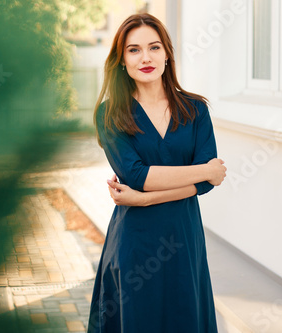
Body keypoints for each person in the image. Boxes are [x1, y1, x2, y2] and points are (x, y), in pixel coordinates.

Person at [87, 13, 227, 333]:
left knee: (184, 316)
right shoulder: (110, 113)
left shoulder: (196, 110)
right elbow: (138, 176)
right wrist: (202, 170)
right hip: (136, 240)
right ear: (122, 60)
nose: (146, 57)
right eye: (134, 50)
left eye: (154, 47)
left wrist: (146, 199)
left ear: (167, 53)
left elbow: (207, 184)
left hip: (183, 236)